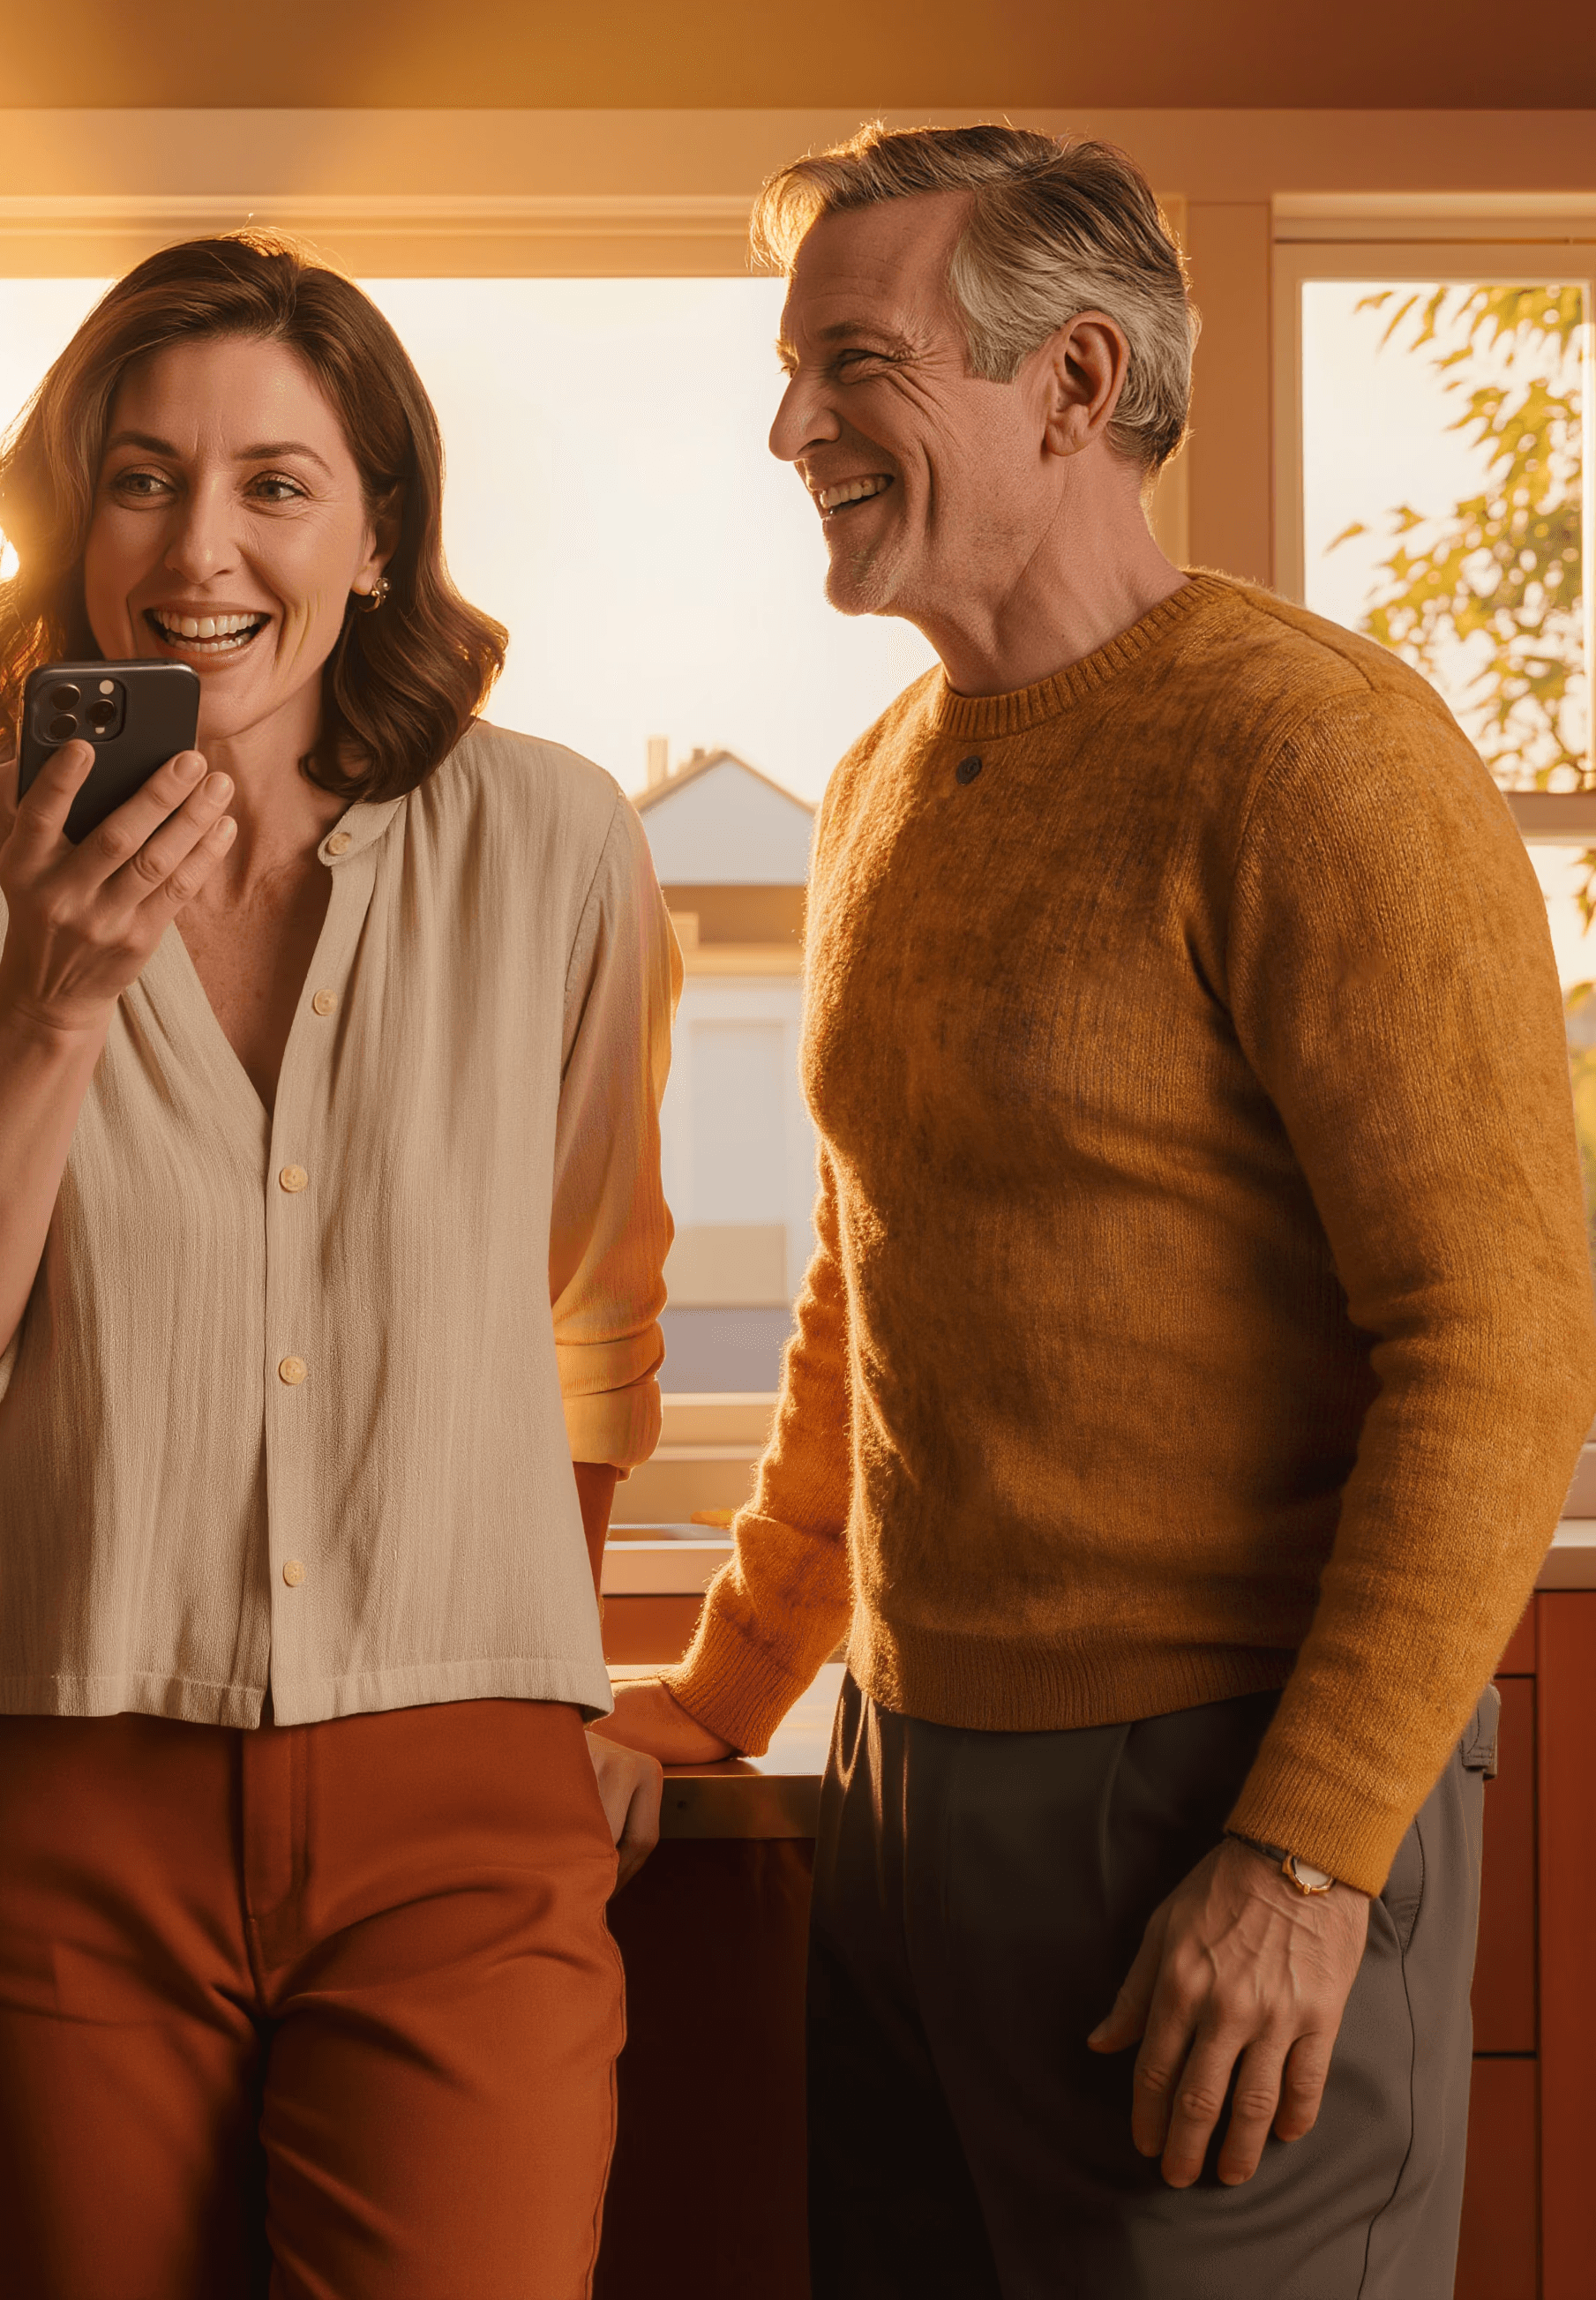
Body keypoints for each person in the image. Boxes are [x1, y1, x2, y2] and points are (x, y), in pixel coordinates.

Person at [593, 123, 1596, 2297]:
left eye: (851, 365)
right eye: (790, 370)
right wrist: (722, 1684)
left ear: (1067, 384)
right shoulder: (873, 784)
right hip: (898, 1784)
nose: (791, 428)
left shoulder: (1315, 757)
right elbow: (874, 1303)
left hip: (1221, 1818)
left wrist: (1307, 1857)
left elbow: (1499, 1345)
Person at [0, 229, 676, 2299]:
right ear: (71, 518)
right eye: (142, 475)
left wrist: (572, 1681)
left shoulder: (552, 845)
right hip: (51, 1779)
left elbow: (582, 1297)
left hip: (466, 1792)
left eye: (277, 483)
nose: (202, 547)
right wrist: (51, 1001)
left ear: (378, 537)